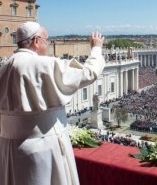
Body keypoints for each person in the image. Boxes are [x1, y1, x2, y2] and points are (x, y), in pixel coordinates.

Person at [0, 21, 105, 185]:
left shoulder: (3, 67)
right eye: (46, 40)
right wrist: (96, 48)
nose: (48, 44)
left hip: (9, 149)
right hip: (43, 149)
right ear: (36, 41)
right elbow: (88, 73)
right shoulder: (45, 65)